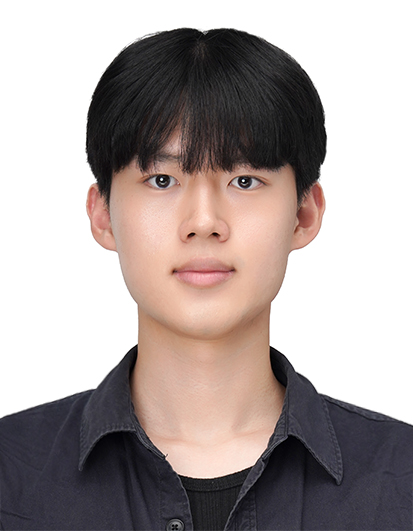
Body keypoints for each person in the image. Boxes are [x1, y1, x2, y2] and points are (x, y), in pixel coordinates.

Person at [0, 27, 412, 531]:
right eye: (162, 180)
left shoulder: (402, 481)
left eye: (244, 180)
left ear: (304, 214)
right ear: (103, 214)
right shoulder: (10, 475)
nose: (203, 222)